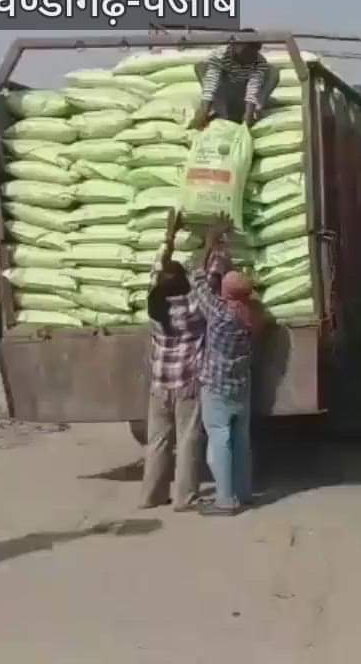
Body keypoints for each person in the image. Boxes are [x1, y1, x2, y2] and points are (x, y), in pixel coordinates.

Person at [171, 214, 266, 516]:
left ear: (225, 294)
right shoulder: (253, 315)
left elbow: (198, 281)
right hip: (241, 387)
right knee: (241, 441)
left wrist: (210, 244)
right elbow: (235, 291)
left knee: (219, 442)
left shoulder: (221, 314)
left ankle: (225, 500)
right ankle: (244, 492)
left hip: (217, 388)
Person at [138, 219, 207, 511]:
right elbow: (203, 279)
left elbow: (156, 271)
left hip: (159, 386)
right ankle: (184, 497)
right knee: (189, 440)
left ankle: (150, 496)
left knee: (158, 441)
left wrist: (169, 237)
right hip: (187, 386)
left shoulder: (154, 307)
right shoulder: (193, 309)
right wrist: (210, 244)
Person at [190, 29, 279, 129]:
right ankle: (217, 110)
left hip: (242, 97)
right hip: (224, 94)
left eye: (253, 53)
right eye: (246, 51)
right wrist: (203, 114)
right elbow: (210, 86)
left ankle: (255, 111)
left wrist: (248, 115)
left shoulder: (258, 61)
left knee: (273, 71)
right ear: (234, 45)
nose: (250, 57)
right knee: (202, 66)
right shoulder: (219, 56)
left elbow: (253, 89)